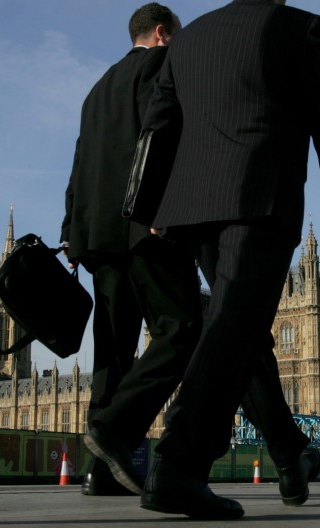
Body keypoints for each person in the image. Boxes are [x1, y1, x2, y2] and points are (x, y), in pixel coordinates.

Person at [126, 0, 320, 519]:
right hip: (259, 193)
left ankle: (287, 448)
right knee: (234, 323)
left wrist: (148, 208)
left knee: (241, 326)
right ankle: (178, 464)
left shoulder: (189, 39)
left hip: (191, 206)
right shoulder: (299, 26)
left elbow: (157, 124)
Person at [60, 3, 203, 497]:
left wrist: (72, 232)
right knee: (182, 328)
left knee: (113, 354)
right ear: (163, 34)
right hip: (146, 227)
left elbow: (80, 164)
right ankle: (117, 429)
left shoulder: (97, 89)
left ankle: (100, 474)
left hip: (97, 236)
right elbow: (170, 140)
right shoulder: (166, 66)